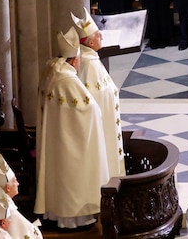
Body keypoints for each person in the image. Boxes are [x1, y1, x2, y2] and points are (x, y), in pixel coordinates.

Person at [34, 28, 109, 229]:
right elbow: (91, 109)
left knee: (57, 175)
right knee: (72, 175)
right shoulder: (67, 80)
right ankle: (75, 218)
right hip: (68, 142)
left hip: (56, 138)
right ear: (74, 60)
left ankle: (55, 213)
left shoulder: (51, 70)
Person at [70, 10, 125, 180]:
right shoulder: (89, 64)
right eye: (98, 35)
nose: (101, 35)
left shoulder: (89, 58)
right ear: (91, 42)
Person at [0, 152, 42, 239]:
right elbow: (28, 231)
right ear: (8, 188)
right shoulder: (5, 207)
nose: (18, 183)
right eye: (15, 181)